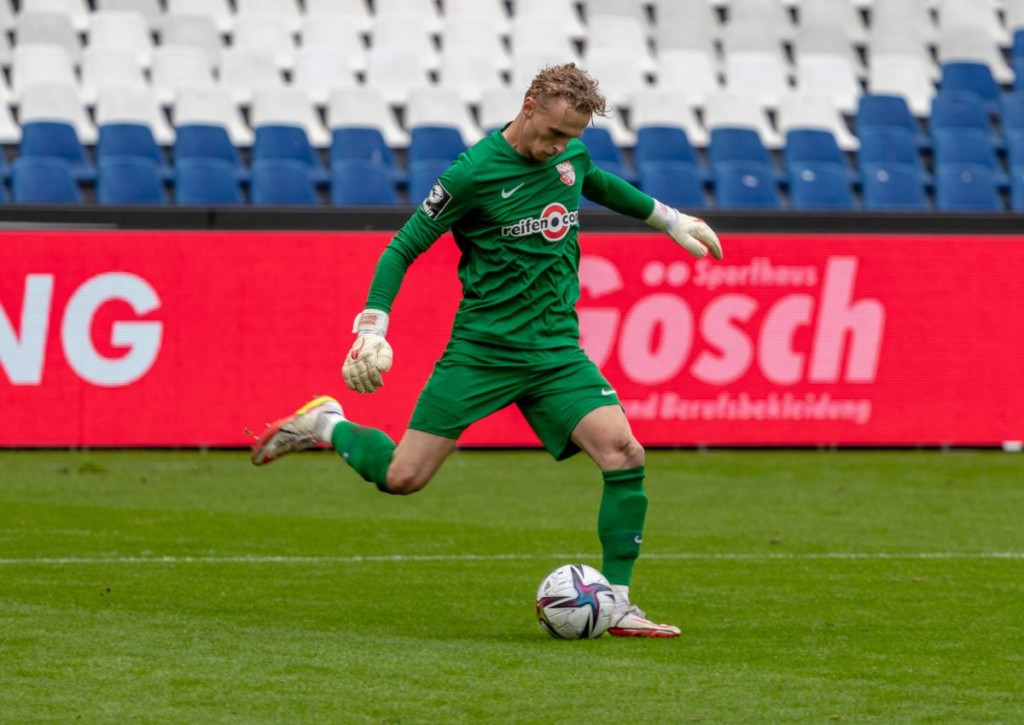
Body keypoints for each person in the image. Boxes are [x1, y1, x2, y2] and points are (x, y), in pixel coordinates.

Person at [250, 63, 723, 638]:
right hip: (483, 351)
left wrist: (669, 219)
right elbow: (403, 247)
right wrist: (372, 325)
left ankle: (618, 602)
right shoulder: (471, 174)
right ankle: (327, 425)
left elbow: (597, 183)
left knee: (624, 453)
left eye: (571, 139)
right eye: (552, 133)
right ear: (528, 106)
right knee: (403, 477)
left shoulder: (568, 158)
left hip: (554, 350)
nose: (559, 149)